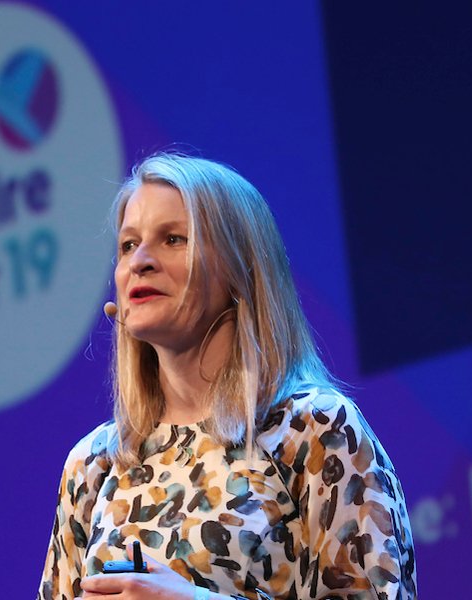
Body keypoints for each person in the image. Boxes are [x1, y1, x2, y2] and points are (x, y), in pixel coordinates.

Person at [38, 154, 417, 600]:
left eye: (173, 239)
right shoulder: (94, 466)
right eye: (127, 245)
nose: (139, 261)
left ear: (241, 271)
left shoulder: (312, 431)